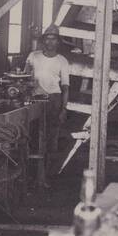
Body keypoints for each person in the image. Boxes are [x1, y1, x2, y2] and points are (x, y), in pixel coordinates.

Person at [25, 26, 71, 189]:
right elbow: (25, 78)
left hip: (53, 100)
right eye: (47, 38)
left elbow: (65, 87)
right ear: (43, 40)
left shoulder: (62, 61)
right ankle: (32, 174)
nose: (50, 42)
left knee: (51, 138)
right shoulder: (33, 56)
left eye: (54, 39)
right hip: (35, 99)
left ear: (58, 42)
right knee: (33, 135)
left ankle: (45, 175)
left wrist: (63, 109)